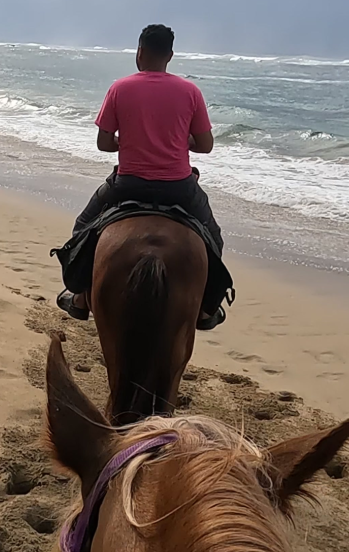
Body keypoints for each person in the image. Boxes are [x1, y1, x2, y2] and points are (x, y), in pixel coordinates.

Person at [57, 24, 225, 329]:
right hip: (179, 187)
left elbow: (104, 143)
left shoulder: (120, 88)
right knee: (213, 237)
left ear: (139, 52)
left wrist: (129, 140)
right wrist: (179, 142)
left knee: (83, 226)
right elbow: (206, 145)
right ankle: (206, 309)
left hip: (128, 184)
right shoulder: (190, 91)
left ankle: (80, 298)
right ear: (170, 56)